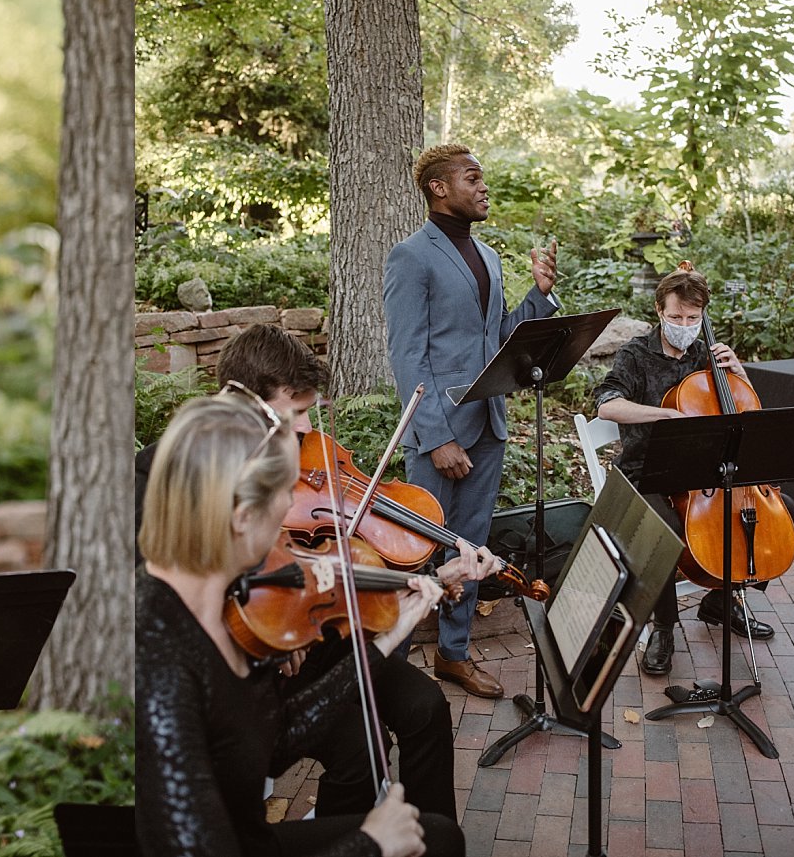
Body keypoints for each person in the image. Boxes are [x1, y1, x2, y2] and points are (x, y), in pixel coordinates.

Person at [136, 326, 489, 824]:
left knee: (426, 706)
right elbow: (161, 588)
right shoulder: (166, 472)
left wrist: (428, 578)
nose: (306, 427)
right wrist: (253, 619)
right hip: (258, 652)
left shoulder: (295, 460)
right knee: (361, 751)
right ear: (249, 401)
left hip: (313, 627)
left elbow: (328, 560)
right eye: (295, 412)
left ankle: (431, 838)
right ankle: (353, 837)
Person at [383, 144, 558, 700]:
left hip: (488, 424)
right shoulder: (411, 257)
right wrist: (436, 438)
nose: (484, 187)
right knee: (417, 549)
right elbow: (408, 356)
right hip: (438, 432)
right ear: (438, 188)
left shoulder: (487, 255)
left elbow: (498, 340)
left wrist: (539, 297)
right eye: (472, 178)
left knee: (472, 548)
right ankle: (392, 671)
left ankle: (453, 655)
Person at [594, 266, 774, 678]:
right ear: (660, 311)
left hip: (700, 472)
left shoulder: (706, 353)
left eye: (693, 318)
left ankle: (720, 602)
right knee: (667, 530)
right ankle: (664, 627)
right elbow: (606, 404)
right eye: (676, 317)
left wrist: (739, 373)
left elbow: (744, 411)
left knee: (761, 517)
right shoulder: (635, 355)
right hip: (645, 472)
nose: (685, 325)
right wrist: (664, 414)